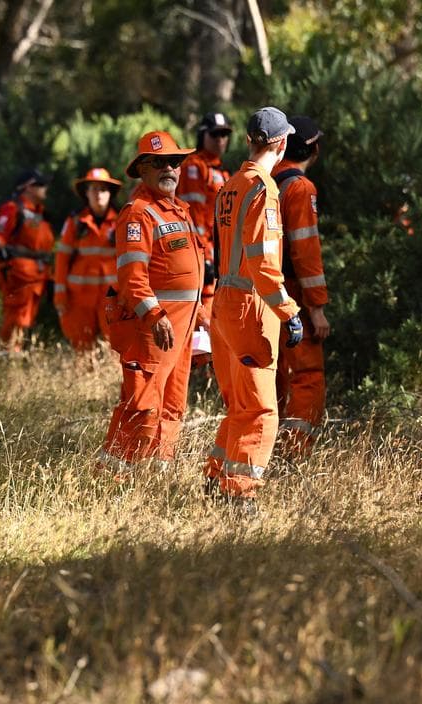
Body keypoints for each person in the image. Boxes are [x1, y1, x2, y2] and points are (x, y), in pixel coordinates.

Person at [203, 107, 304, 512]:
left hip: (223, 304)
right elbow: (263, 262)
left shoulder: (230, 186)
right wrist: (289, 310)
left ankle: (216, 481)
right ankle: (238, 497)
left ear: (249, 140)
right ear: (280, 144)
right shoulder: (264, 189)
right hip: (250, 307)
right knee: (262, 410)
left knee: (239, 406)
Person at [98, 131, 204, 470]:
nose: (169, 169)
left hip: (181, 330)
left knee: (172, 402)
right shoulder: (138, 213)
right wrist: (155, 315)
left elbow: (186, 274)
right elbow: (132, 278)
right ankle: (116, 475)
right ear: (142, 169)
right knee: (141, 404)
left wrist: (199, 313)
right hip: (152, 330)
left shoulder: (178, 210)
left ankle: (158, 471)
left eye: (173, 162)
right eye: (158, 163)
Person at [271, 115, 330, 454]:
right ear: (313, 149)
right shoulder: (300, 188)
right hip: (293, 293)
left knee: (275, 372)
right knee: (307, 374)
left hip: (263, 293)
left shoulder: (264, 182)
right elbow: (306, 253)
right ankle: (295, 449)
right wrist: (317, 308)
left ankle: (270, 444)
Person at [0, 168, 56, 352]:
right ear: (27, 188)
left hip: (36, 277)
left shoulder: (39, 213)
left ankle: (15, 354)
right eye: (40, 184)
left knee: (25, 320)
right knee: (15, 318)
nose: (45, 188)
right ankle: (7, 356)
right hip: (17, 275)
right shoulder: (12, 209)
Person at [54, 167, 123, 351]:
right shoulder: (75, 222)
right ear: (86, 193)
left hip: (112, 298)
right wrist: (60, 295)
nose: (98, 194)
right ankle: (85, 381)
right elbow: (62, 259)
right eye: (94, 189)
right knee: (82, 348)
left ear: (110, 194)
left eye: (103, 189)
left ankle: (110, 381)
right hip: (80, 298)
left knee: (115, 349)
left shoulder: (122, 222)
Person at [178, 111, 233, 311]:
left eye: (224, 135)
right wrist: (205, 257)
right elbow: (193, 216)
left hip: (220, 255)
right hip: (202, 253)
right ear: (203, 135)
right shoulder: (194, 166)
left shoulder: (223, 172)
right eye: (215, 134)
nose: (221, 140)